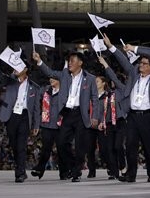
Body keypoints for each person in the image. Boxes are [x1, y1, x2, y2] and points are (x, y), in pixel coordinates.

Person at [102, 35, 150, 183]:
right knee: (130, 145)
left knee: (149, 147)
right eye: (140, 63)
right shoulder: (133, 74)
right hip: (132, 116)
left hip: (148, 116)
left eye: (144, 64)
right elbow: (123, 60)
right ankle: (131, 175)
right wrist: (111, 46)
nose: (140, 66)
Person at [33, 51, 101, 182]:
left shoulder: (90, 78)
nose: (69, 63)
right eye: (69, 61)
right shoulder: (64, 75)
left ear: (80, 63)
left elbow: (95, 99)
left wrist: (95, 117)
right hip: (67, 113)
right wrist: (39, 61)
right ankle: (74, 165)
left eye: (72, 61)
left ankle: (76, 173)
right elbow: (50, 73)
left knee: (80, 146)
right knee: (61, 142)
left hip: (81, 115)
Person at [0, 58, 40, 182]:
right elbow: (0, 76)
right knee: (14, 145)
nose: (15, 69)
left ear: (25, 70)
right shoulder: (10, 80)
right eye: (15, 67)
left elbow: (35, 109)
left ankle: (20, 173)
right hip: (11, 115)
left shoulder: (34, 87)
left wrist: (36, 125)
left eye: (19, 67)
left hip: (24, 116)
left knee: (21, 145)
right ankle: (20, 169)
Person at [31, 77, 69, 180]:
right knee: (45, 149)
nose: (51, 80)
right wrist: (37, 124)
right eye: (50, 78)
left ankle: (64, 172)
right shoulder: (45, 90)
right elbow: (36, 105)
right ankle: (39, 169)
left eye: (54, 78)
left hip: (60, 125)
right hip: (47, 124)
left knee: (62, 150)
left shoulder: (66, 91)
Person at [97, 58, 128, 180]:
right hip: (109, 123)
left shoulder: (123, 91)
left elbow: (114, 77)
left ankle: (122, 166)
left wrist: (105, 64)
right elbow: (102, 109)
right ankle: (114, 172)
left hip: (120, 122)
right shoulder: (108, 94)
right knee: (109, 148)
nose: (113, 82)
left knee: (118, 146)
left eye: (115, 80)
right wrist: (101, 121)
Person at [86, 76, 109, 178]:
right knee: (90, 148)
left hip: (102, 125)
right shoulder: (90, 96)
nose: (95, 83)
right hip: (91, 125)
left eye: (97, 81)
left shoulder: (108, 96)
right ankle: (91, 170)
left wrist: (104, 122)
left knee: (104, 148)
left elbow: (109, 111)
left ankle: (110, 166)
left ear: (103, 83)